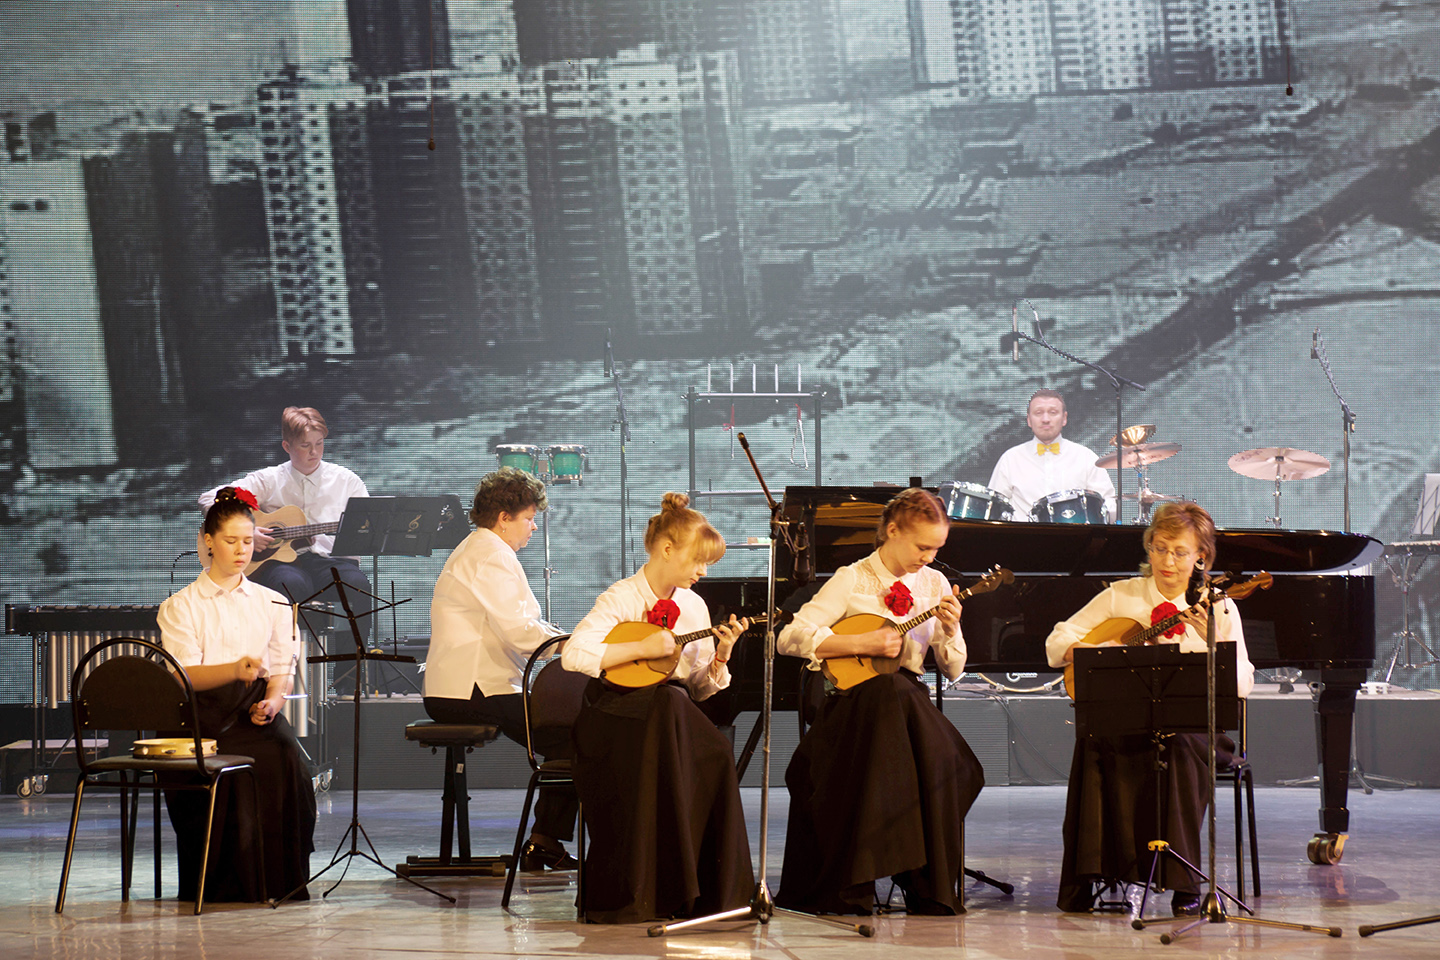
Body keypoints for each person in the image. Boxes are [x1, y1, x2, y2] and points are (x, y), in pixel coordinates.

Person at [775, 487, 985, 916]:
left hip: (905, 705)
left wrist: (951, 631)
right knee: (888, 695)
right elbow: (789, 638)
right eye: (922, 546)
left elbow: (954, 668)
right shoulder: (851, 578)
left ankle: (922, 878)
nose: (929, 557)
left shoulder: (935, 583)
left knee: (957, 765)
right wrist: (860, 642)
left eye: (937, 548)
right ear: (892, 531)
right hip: (853, 705)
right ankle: (885, 874)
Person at [1045, 501, 1254, 916]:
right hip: (1130, 719)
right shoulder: (1122, 594)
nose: (1167, 561)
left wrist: (1211, 643)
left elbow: (1242, 682)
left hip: (1197, 729)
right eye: (1159, 549)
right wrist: (1086, 650)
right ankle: (1090, 875)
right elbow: (1056, 642)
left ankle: (1184, 881)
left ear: (1201, 557)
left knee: (1175, 744)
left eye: (1179, 552)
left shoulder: (1219, 606)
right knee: (1094, 740)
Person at [561, 493, 754, 923]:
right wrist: (642, 647)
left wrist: (721, 657)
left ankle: (708, 893)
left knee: (709, 743)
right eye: (698, 561)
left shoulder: (694, 606)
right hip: (616, 717)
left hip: (670, 717)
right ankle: (645, 893)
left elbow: (699, 690)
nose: (704, 572)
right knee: (669, 705)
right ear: (667, 549)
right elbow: (573, 654)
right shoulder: (621, 597)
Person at [158, 486, 317, 902]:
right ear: (209, 542)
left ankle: (278, 881)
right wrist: (233, 670)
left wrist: (274, 702)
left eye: (248, 541)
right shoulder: (182, 605)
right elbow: (183, 676)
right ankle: (223, 885)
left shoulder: (274, 602)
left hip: (254, 713)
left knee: (288, 761)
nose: (241, 550)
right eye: (231, 541)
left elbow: (282, 669)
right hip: (201, 718)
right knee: (228, 771)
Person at [422, 467, 576, 870]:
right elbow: (521, 632)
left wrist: (565, 640)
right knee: (573, 735)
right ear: (504, 518)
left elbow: (521, 626)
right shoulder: (491, 554)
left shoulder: (481, 548)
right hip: (470, 690)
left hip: (472, 686)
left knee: (567, 733)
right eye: (529, 518)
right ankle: (544, 842)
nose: (533, 527)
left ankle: (545, 840)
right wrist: (572, 645)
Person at [199, 406, 372, 632]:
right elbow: (209, 498)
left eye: (319, 443)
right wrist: (245, 532)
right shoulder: (269, 480)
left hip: (331, 561)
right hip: (281, 563)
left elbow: (367, 526)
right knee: (290, 583)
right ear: (287, 446)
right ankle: (291, 654)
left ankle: (353, 656)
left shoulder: (347, 481)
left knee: (356, 584)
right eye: (305, 445)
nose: (314, 452)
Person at [988, 389, 1116, 521]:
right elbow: (993, 507)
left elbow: (1108, 503)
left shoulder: (1086, 457)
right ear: (1029, 420)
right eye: (1038, 413)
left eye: (1053, 412)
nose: (1045, 419)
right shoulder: (1010, 459)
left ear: (1064, 418)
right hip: (1022, 534)